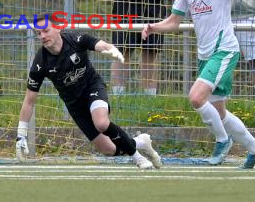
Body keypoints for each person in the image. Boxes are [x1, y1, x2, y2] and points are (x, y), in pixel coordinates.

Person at [142, 0, 255, 168]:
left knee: (196, 97)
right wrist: (153, 27)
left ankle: (223, 141)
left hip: (225, 50)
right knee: (219, 111)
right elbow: (174, 22)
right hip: (205, 54)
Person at [15, 15, 162, 170]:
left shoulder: (76, 40)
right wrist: (21, 134)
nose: (43, 36)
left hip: (92, 88)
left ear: (58, 28)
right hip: (75, 105)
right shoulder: (40, 63)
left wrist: (110, 49)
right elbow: (29, 101)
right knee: (109, 150)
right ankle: (140, 142)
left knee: (102, 123)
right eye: (39, 33)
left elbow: (99, 44)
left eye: (46, 30)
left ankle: (138, 158)